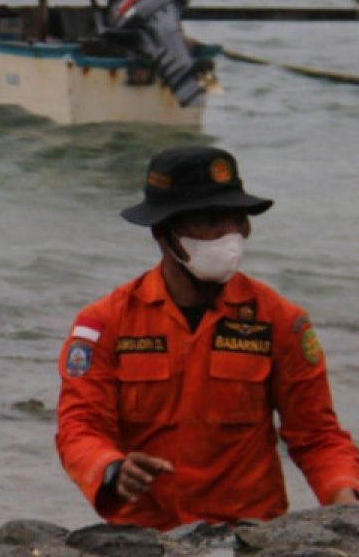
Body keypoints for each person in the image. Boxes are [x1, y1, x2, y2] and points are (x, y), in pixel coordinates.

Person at [56, 146, 359, 530]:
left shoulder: (281, 321)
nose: (229, 236)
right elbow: (80, 428)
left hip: (250, 537)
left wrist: (344, 498)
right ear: (162, 232)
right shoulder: (105, 324)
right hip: (143, 537)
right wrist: (112, 469)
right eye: (211, 221)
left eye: (238, 220)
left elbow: (317, 437)